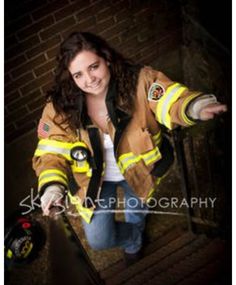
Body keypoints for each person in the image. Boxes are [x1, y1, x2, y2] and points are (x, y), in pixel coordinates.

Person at [32, 32, 227, 264]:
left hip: (141, 172)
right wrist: (53, 187)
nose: (89, 79)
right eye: (78, 74)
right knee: (98, 239)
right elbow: (51, 151)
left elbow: (168, 98)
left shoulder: (141, 81)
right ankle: (133, 238)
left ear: (107, 58)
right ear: (70, 76)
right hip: (93, 182)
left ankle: (136, 238)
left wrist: (193, 107)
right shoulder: (59, 107)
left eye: (94, 67)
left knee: (137, 214)